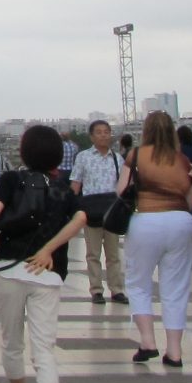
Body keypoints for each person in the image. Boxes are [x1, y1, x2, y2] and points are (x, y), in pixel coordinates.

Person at [0, 124, 87, 383]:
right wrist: (48, 250)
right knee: (45, 348)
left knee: (12, 341)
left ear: (24, 151)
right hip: (47, 273)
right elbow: (80, 219)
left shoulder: (13, 180)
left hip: (9, 270)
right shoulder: (63, 189)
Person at [123, 111, 192, 366]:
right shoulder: (183, 160)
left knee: (138, 282)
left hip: (145, 219)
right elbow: (190, 202)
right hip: (181, 222)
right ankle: (175, 351)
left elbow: (120, 190)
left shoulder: (136, 156)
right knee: (176, 288)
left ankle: (148, 341)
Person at [69, 120, 128, 306]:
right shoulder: (83, 157)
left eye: (106, 132)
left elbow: (123, 186)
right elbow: (75, 184)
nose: (103, 135)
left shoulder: (118, 159)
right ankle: (96, 290)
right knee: (93, 253)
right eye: (99, 132)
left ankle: (117, 289)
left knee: (113, 254)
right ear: (92, 136)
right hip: (91, 210)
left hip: (112, 211)